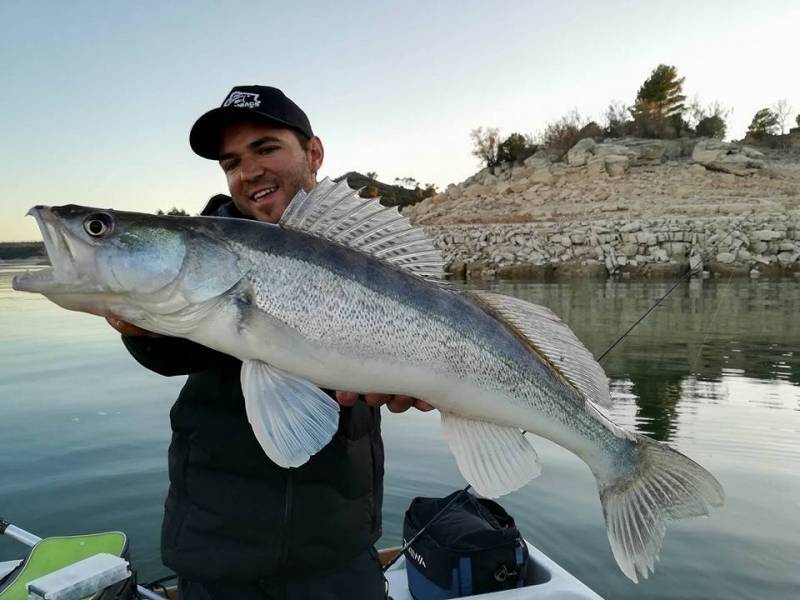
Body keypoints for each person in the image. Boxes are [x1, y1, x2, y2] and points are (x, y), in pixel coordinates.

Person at [109, 85, 432, 600]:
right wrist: (139, 323)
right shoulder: (205, 250)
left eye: (265, 148)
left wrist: (424, 382)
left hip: (340, 550)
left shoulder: (368, 253)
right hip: (220, 555)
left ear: (314, 153)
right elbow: (171, 349)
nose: (247, 171)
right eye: (231, 161)